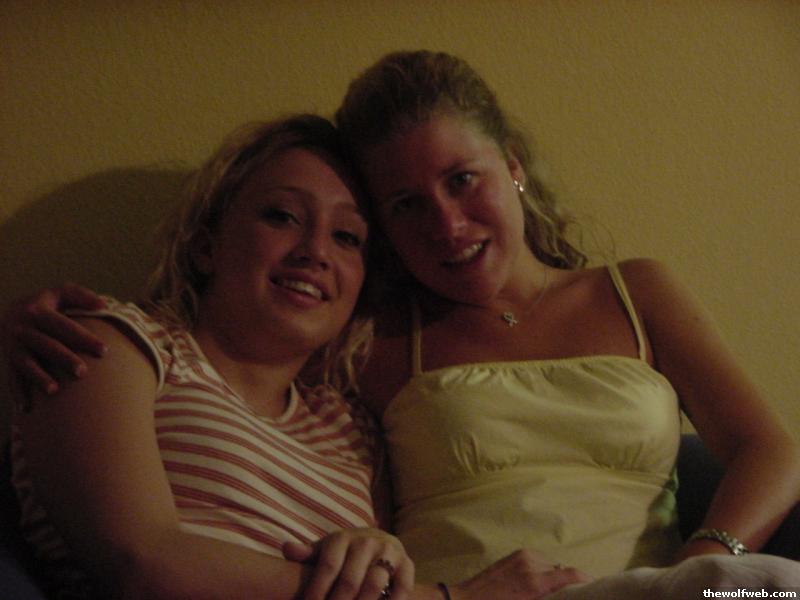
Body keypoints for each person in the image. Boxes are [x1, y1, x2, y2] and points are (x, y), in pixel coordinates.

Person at [5, 50, 800, 596]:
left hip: (664, 589)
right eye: (406, 205)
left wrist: (704, 569)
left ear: (513, 167)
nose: (447, 224)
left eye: (463, 180)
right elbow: (149, 543)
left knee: (768, 592)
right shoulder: (365, 345)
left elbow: (769, 448)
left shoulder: (631, 292)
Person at [4, 113, 594, 600]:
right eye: (282, 216)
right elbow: (143, 562)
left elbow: (375, 577)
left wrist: (378, 555)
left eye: (347, 237)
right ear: (206, 244)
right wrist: (448, 598)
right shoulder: (110, 343)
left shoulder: (352, 430)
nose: (315, 252)